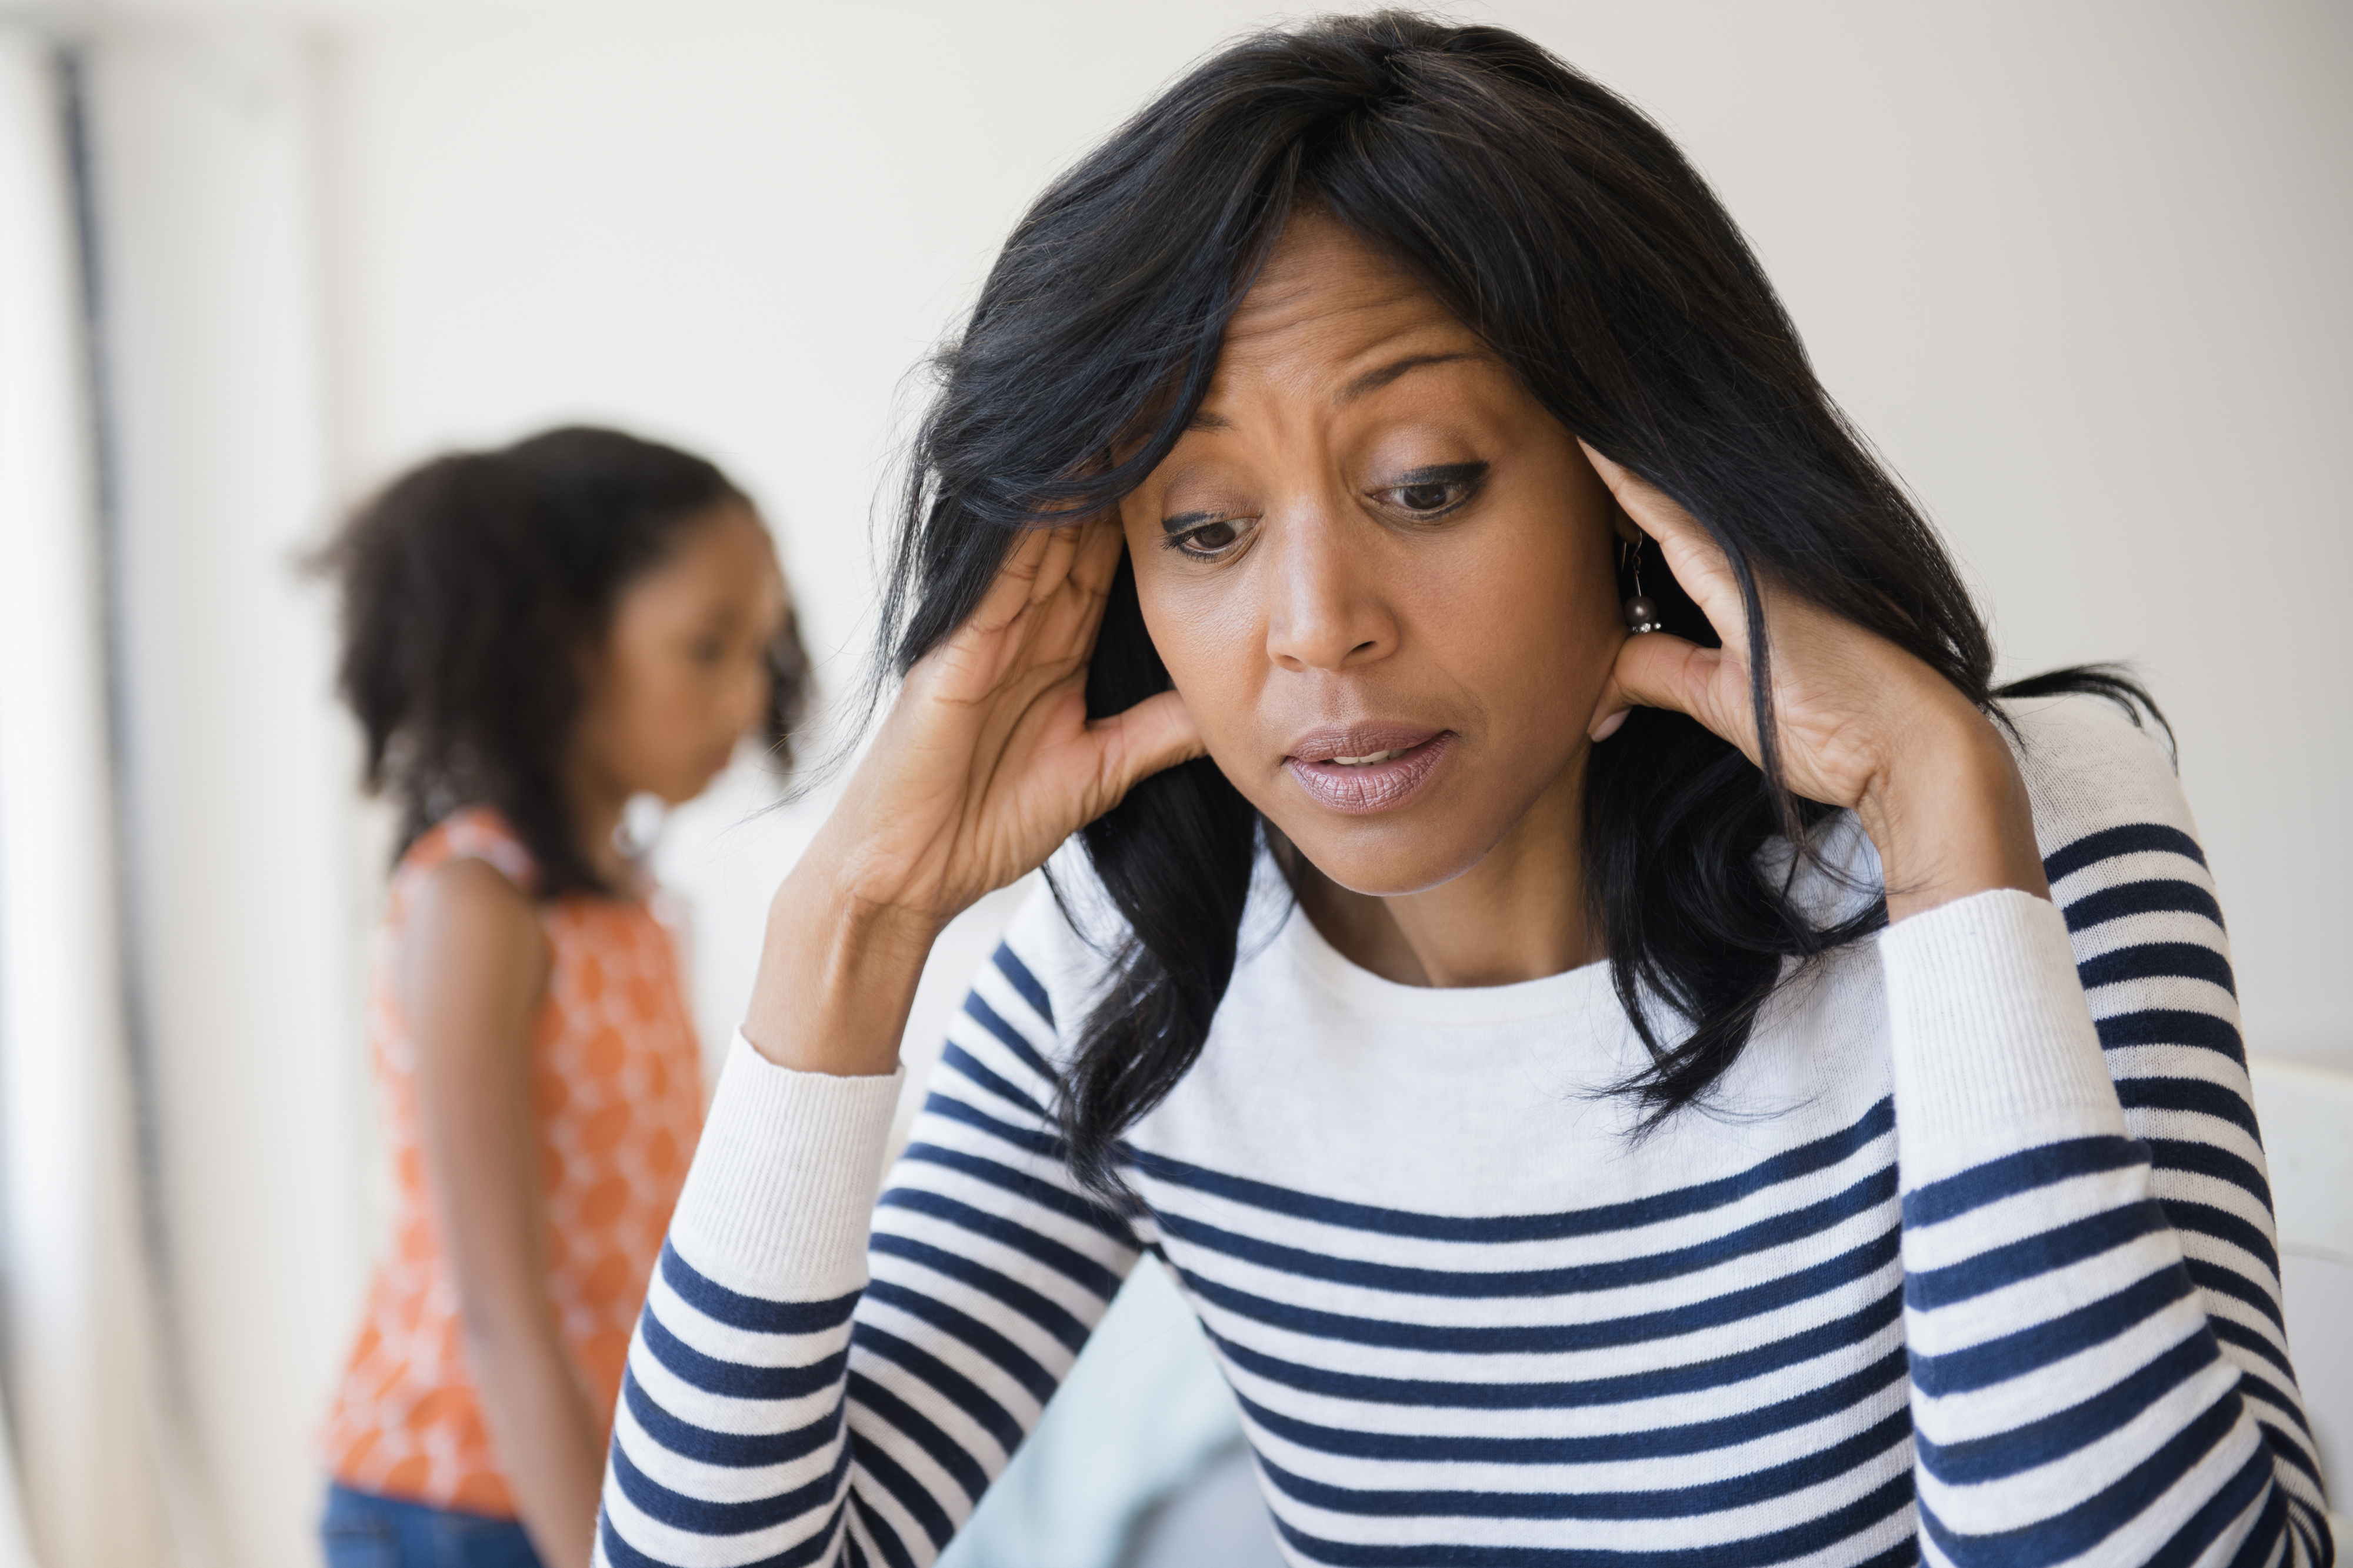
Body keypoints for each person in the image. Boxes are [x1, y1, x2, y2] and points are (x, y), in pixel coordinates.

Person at [598, 16, 2329, 1568]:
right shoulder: (1129, 964)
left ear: (1637, 484)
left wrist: (1946, 827)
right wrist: (857, 916)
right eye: (1203, 530)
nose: (1317, 630)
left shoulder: (2024, 826)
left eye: (1428, 487)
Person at [314, 427, 808, 1568]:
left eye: (760, 651)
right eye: (707, 646)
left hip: (592, 1477)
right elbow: (498, 1309)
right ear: (564, 645)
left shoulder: (630, 906)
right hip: (456, 1503)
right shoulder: (476, 909)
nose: (743, 694)